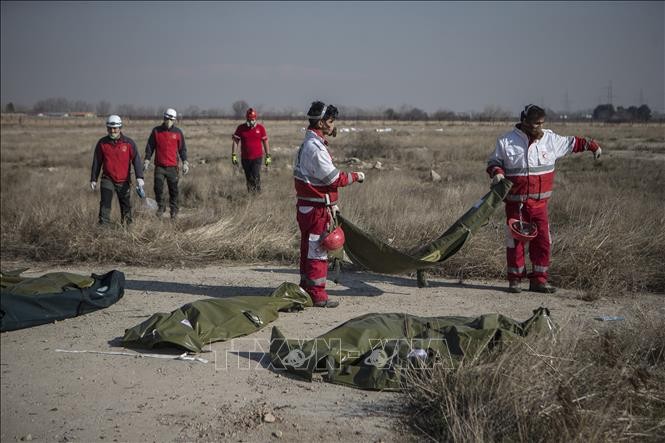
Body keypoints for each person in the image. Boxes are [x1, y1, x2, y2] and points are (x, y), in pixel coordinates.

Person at [486, 104, 602, 293]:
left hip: (540, 206)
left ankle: (539, 281)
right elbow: (494, 162)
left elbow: (574, 143)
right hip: (516, 204)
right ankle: (515, 280)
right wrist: (497, 173)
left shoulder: (550, 139)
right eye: (534, 124)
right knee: (515, 242)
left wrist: (592, 146)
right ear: (524, 121)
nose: (537, 128)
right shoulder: (506, 141)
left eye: (540, 124)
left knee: (542, 242)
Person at [293, 101, 366, 308]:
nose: (333, 126)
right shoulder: (315, 148)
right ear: (323, 123)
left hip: (309, 207)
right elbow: (334, 179)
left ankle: (305, 287)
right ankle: (317, 295)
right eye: (331, 121)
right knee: (318, 251)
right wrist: (356, 176)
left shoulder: (308, 144)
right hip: (316, 211)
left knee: (308, 249)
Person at [90, 115, 144, 225]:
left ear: (120, 128)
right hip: (107, 179)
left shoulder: (129, 143)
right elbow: (97, 162)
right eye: (110, 128)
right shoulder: (102, 143)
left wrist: (139, 177)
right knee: (105, 204)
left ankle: (127, 228)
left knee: (125, 205)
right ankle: (103, 229)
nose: (112, 131)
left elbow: (136, 160)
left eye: (115, 128)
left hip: (124, 181)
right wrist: (93, 179)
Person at [143, 108, 189, 219]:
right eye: (167, 118)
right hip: (160, 166)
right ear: (164, 118)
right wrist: (147, 160)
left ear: (174, 120)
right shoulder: (156, 131)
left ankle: (174, 210)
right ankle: (161, 206)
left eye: (171, 119)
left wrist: (185, 162)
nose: (168, 121)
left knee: (173, 189)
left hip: (173, 167)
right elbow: (150, 146)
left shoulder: (178, 133)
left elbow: (182, 149)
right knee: (158, 188)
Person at [231, 108, 271, 193]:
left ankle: (258, 194)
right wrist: (233, 155)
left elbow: (265, 141)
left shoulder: (260, 128)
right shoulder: (241, 128)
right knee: (248, 178)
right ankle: (251, 196)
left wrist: (268, 156)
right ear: (246, 118)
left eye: (252, 119)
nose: (251, 121)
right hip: (245, 158)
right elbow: (235, 142)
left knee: (255, 175)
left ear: (255, 118)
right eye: (249, 119)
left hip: (257, 158)